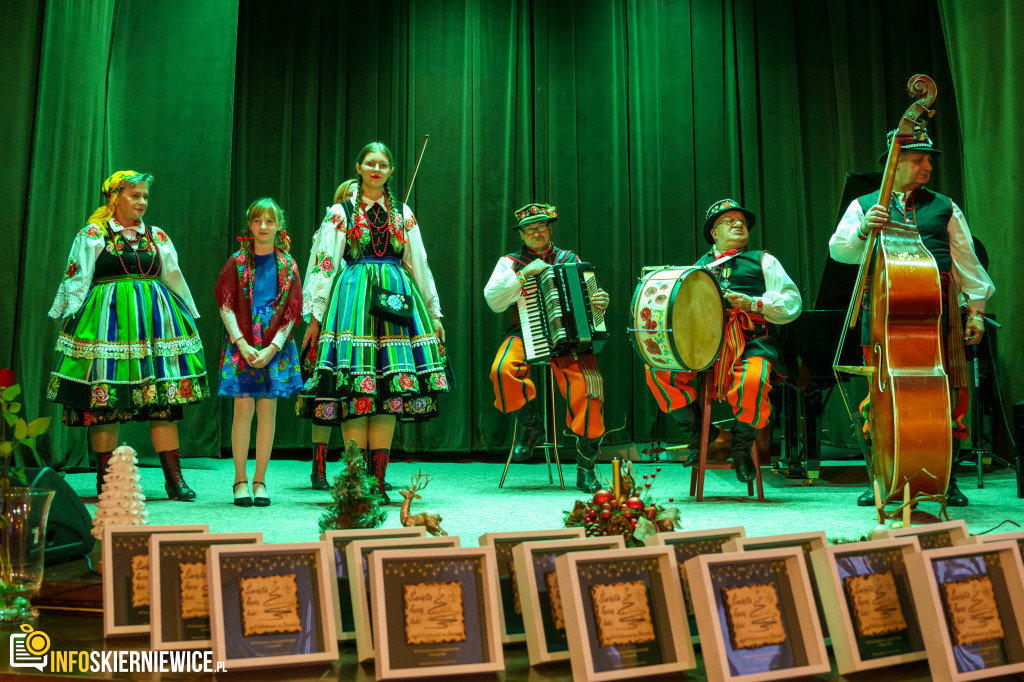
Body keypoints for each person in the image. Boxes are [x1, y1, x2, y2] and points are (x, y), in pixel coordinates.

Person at [829, 130, 994, 507]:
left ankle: (946, 477)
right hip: (885, 306)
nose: (928, 167)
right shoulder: (864, 204)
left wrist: (978, 312)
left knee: (948, 390)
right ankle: (885, 476)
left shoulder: (945, 206)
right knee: (881, 392)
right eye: (919, 160)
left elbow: (967, 263)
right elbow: (840, 251)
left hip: (939, 304)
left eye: (929, 160)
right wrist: (863, 229)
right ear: (895, 161)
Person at [298, 142, 448, 501]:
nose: (377, 169)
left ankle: (378, 481)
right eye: (370, 163)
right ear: (359, 167)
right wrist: (315, 318)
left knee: (390, 393)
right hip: (353, 305)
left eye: (383, 164)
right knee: (356, 389)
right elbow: (324, 264)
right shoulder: (341, 212)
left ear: (391, 171)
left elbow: (419, 264)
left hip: (396, 308)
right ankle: (354, 478)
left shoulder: (403, 214)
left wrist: (435, 312)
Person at [47, 170, 207, 500]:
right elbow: (77, 277)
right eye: (135, 195)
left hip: (154, 327)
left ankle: (173, 479)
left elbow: (173, 275)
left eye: (145, 196)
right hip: (109, 325)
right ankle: (106, 483)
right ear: (115, 197)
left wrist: (188, 311)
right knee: (105, 402)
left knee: (163, 400)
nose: (142, 202)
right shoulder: (94, 233)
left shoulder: (157, 236)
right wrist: (68, 314)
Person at [645, 199, 801, 482]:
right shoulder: (696, 268)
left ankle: (741, 448)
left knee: (754, 379)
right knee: (658, 369)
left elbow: (792, 304)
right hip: (705, 346)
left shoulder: (763, 260)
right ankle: (701, 436)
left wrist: (753, 303)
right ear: (714, 233)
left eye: (742, 221)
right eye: (729, 221)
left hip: (751, 342)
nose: (738, 224)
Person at [484, 203, 610, 493]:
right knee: (501, 370)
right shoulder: (510, 262)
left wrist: (600, 302)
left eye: (541, 227)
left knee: (590, 387)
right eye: (529, 229)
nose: (536, 233)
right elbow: (494, 301)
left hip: (569, 336)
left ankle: (585, 466)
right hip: (524, 332)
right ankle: (531, 425)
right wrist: (525, 273)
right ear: (522, 235)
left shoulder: (570, 258)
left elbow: (591, 302)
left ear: (550, 229)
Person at [215, 198, 303, 507]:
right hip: (244, 343)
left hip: (274, 346)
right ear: (249, 226)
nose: (263, 227)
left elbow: (292, 312)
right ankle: (240, 479)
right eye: (257, 221)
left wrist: (274, 347)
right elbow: (225, 305)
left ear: (279, 226)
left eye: (269, 221)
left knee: (268, 411)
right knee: (243, 410)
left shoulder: (288, 265)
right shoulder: (237, 262)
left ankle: (260, 480)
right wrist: (241, 343)